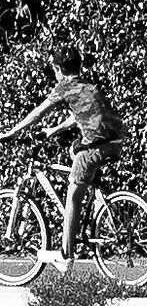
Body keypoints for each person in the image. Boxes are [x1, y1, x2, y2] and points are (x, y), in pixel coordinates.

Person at [0, 47, 127, 262]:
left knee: (73, 195)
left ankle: (65, 255)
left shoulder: (65, 87)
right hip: (115, 143)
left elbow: (39, 112)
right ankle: (95, 201)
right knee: (74, 151)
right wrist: (52, 131)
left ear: (58, 69)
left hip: (95, 148)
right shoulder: (87, 86)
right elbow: (79, 117)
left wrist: (12, 132)